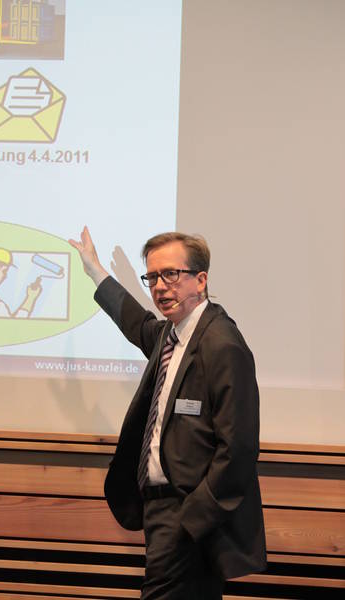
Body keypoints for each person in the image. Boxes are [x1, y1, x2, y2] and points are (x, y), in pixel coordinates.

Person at [69, 226, 266, 600]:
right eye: (153, 277)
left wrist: (194, 518)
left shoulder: (220, 343)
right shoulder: (172, 336)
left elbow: (238, 448)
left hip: (188, 514)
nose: (160, 287)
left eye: (171, 275)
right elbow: (136, 322)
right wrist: (95, 271)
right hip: (162, 511)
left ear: (201, 280)